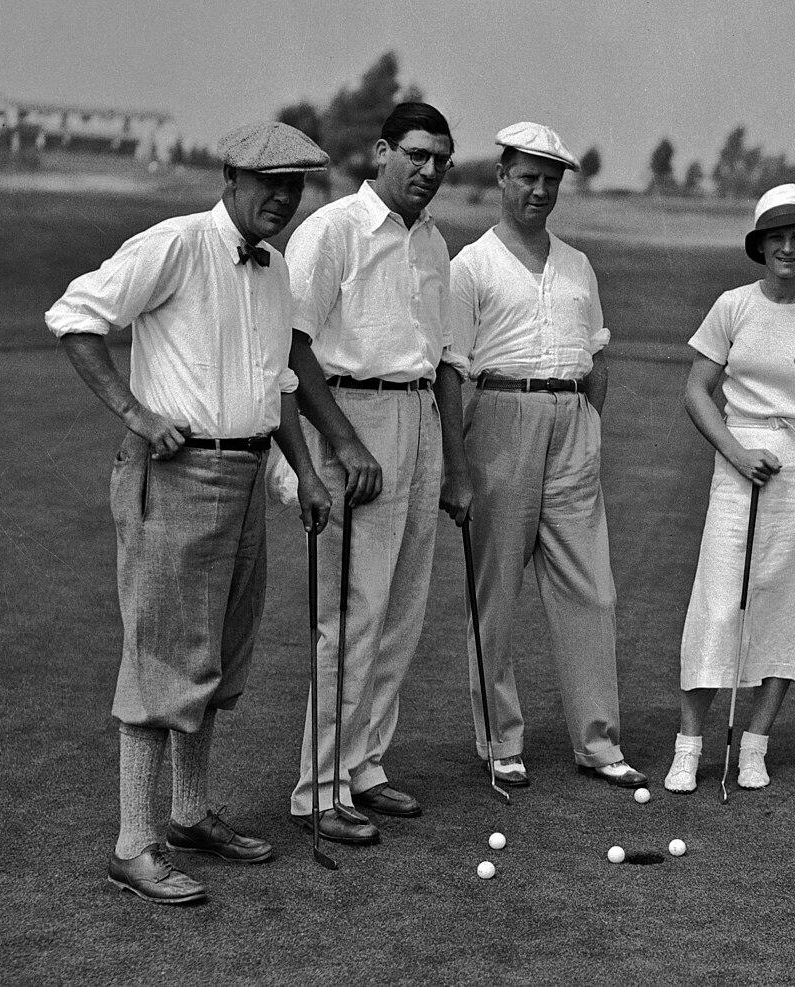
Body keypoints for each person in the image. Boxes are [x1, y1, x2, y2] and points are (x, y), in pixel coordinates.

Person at [45, 121, 333, 904]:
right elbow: (74, 315)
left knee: (216, 654)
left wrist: (304, 472)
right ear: (230, 179)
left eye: (296, 185)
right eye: (270, 183)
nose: (284, 198)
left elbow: (276, 386)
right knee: (161, 655)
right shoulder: (175, 243)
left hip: (243, 475)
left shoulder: (274, 269)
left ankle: (189, 812)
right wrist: (135, 413)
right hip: (175, 472)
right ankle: (133, 844)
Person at [281, 102, 471, 842]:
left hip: (418, 418)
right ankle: (318, 788)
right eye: (417, 155)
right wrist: (345, 444)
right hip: (351, 418)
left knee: (401, 613)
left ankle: (364, 765)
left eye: (442, 161)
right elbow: (294, 347)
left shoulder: (433, 242)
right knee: (351, 615)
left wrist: (453, 463)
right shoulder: (333, 230)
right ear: (382, 151)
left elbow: (442, 360)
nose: (430, 171)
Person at [445, 122, 647, 789]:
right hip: (501, 419)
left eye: (550, 180)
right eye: (527, 177)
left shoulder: (577, 264)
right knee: (495, 592)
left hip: (571, 423)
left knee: (594, 589)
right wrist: (456, 465)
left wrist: (587, 425)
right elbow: (452, 371)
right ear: (502, 177)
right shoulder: (471, 264)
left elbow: (597, 358)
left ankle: (599, 742)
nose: (539, 191)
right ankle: (500, 740)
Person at [665, 184, 795, 794]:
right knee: (719, 600)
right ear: (760, 245)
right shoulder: (732, 306)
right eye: (776, 238)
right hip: (738, 466)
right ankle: (689, 745)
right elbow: (698, 390)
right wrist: (735, 450)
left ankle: (754, 743)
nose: (788, 247)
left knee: (787, 604)